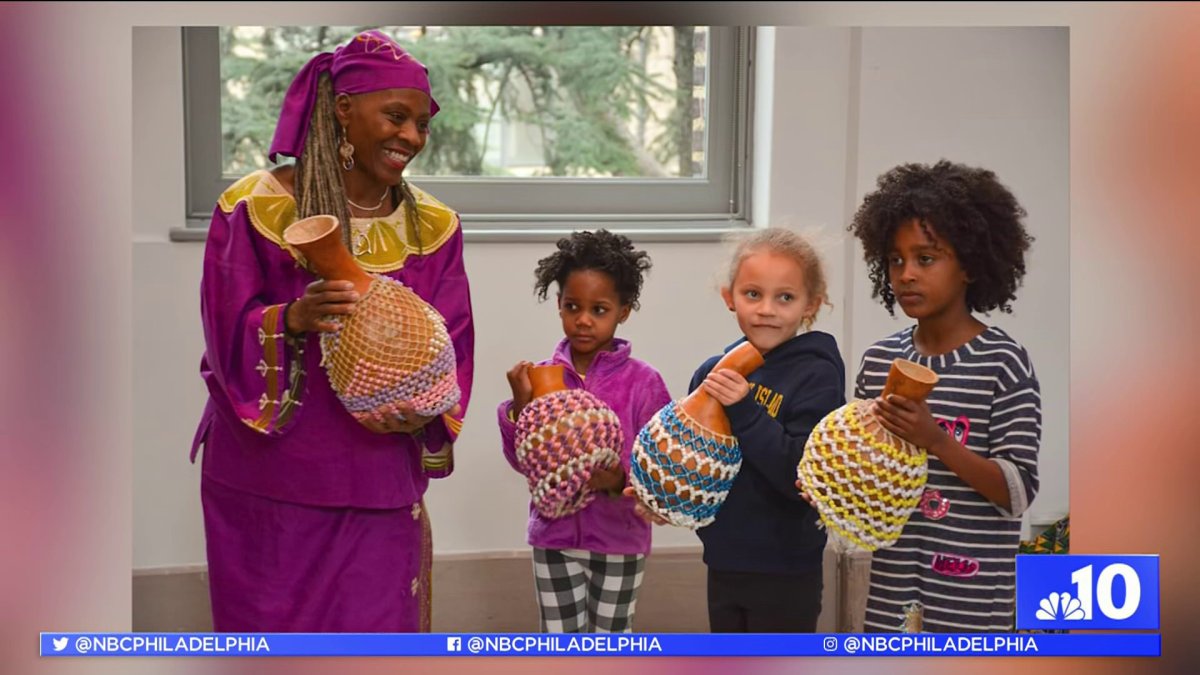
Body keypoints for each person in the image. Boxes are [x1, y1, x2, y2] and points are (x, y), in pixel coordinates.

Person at [190, 30, 474, 632]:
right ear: (343, 108)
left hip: (377, 475)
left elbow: (454, 340)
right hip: (269, 478)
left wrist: (427, 406)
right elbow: (222, 330)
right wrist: (290, 320)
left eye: (422, 125)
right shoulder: (254, 208)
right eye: (396, 117)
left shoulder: (433, 227)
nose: (411, 138)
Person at [847, 160, 1040, 632]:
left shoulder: (1004, 363)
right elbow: (862, 467)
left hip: (973, 602)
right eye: (896, 260)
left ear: (970, 265)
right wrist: (832, 482)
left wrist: (936, 441)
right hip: (892, 593)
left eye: (926, 258)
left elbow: (1017, 493)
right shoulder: (878, 362)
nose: (907, 273)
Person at [632, 227, 845, 633]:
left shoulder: (817, 373)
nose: (767, 309)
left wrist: (745, 408)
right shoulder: (713, 372)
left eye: (785, 297)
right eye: (753, 294)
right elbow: (700, 469)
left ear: (810, 305)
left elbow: (801, 474)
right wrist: (660, 499)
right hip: (725, 561)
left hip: (787, 569)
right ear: (730, 297)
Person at [497, 230, 672, 633]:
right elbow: (524, 461)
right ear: (558, 304)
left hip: (620, 540)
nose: (583, 320)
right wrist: (519, 406)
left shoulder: (644, 382)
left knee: (612, 642)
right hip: (553, 538)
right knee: (560, 644)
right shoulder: (542, 377)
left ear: (624, 311)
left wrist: (619, 479)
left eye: (600, 309)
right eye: (573, 306)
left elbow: (658, 459)